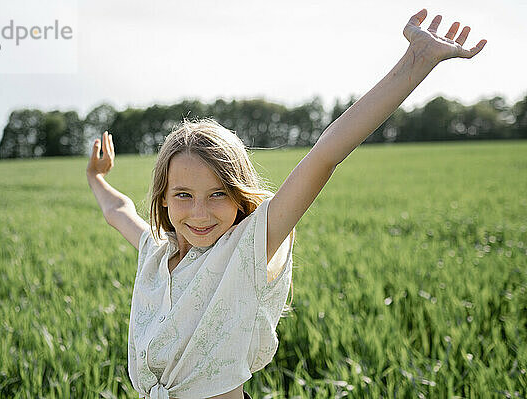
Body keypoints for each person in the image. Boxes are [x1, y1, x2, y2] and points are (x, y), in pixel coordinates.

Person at [86, 9, 486, 399]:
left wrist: (416, 61)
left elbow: (326, 154)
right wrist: (96, 177)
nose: (200, 212)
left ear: (239, 194)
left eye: (218, 194)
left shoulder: (246, 249)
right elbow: (118, 211)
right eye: (183, 196)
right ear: (164, 199)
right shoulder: (156, 252)